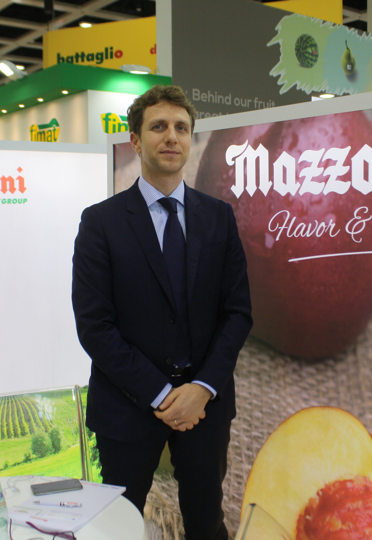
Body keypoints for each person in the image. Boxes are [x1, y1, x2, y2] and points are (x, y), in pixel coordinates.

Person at [72, 85, 252, 540]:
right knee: (118, 528)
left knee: (207, 525)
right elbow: (95, 326)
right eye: (158, 127)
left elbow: (237, 313)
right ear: (135, 140)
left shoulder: (219, 217)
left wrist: (202, 389)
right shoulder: (101, 222)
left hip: (204, 409)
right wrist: (161, 395)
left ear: (190, 138)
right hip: (126, 406)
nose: (171, 136)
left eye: (181, 128)